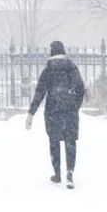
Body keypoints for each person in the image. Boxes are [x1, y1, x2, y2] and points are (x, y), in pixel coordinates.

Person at [26, 40, 85, 189]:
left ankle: (57, 173)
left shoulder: (48, 69)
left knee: (54, 142)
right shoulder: (72, 68)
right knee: (70, 142)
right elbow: (81, 89)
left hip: (53, 111)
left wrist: (31, 113)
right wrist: (74, 106)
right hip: (70, 112)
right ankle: (70, 173)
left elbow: (39, 92)